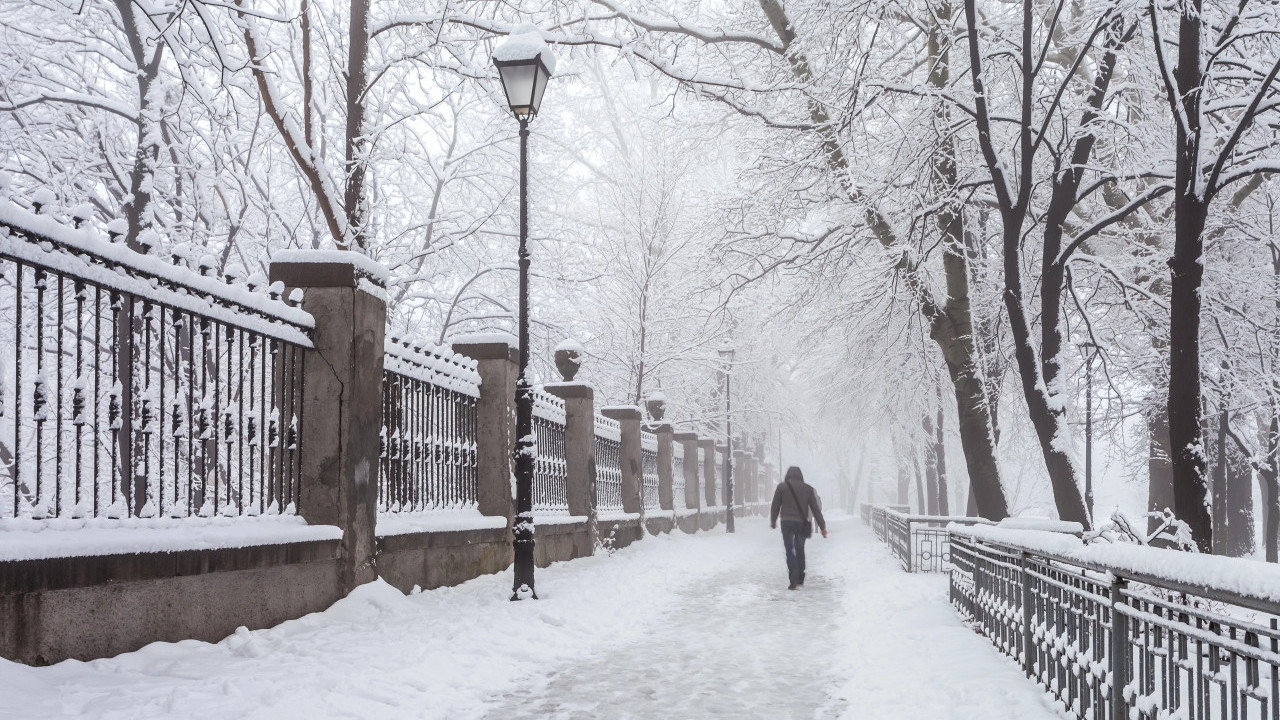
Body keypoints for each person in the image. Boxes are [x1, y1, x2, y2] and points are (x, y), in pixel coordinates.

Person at [770, 466, 827, 590]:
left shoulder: (781, 487)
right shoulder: (808, 489)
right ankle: (800, 575)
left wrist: (773, 521)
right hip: (801, 523)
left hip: (786, 522)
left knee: (789, 549)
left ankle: (793, 576)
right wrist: (822, 526)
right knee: (800, 547)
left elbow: (775, 505)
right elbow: (815, 509)